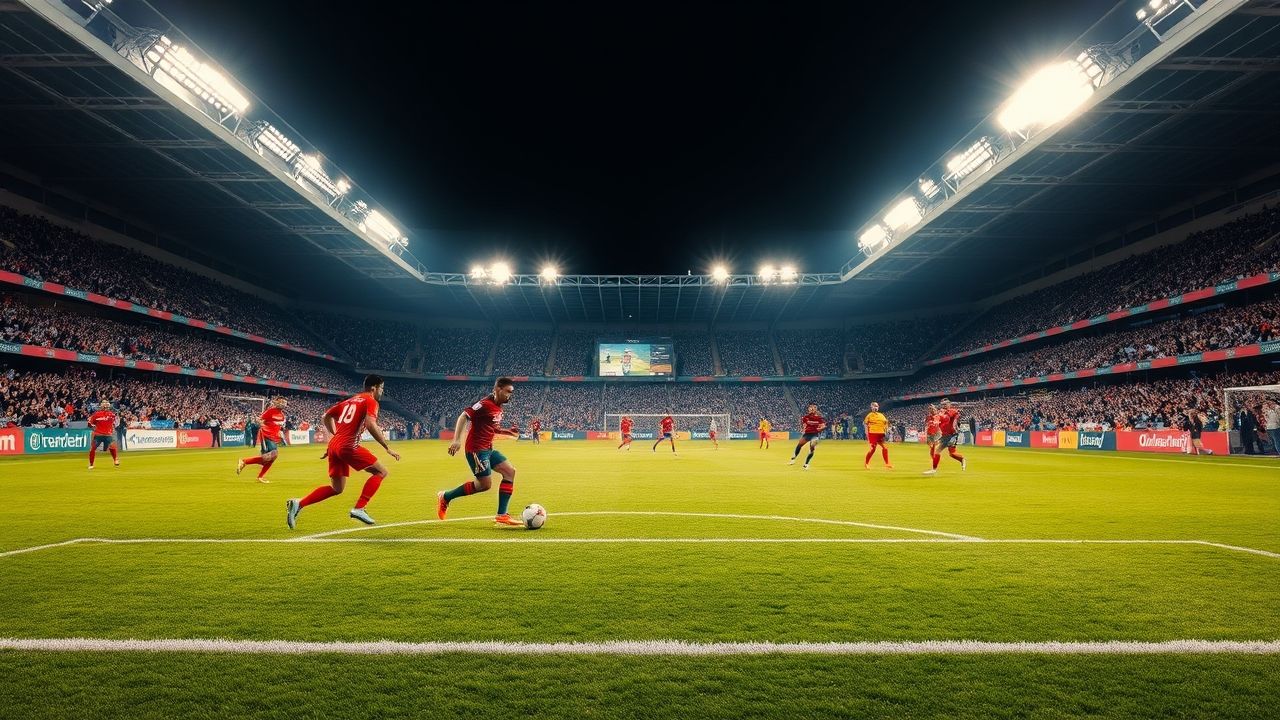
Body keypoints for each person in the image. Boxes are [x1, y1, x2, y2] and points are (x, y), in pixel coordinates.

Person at [285, 375, 400, 529]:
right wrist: (386, 447)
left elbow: (326, 416)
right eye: (382, 388)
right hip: (348, 445)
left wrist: (335, 436)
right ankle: (359, 508)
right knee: (381, 472)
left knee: (336, 488)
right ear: (374, 388)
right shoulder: (370, 401)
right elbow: (371, 424)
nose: (382, 392)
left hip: (335, 445)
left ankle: (299, 503)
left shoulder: (349, 401)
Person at [437, 377, 523, 526]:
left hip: (488, 449)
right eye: (508, 391)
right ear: (498, 389)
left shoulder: (498, 407)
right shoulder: (484, 404)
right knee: (484, 485)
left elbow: (492, 428)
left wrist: (507, 432)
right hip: (476, 450)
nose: (510, 395)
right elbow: (464, 416)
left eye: (511, 392)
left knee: (510, 472)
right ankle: (446, 496)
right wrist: (457, 439)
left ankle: (502, 515)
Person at [238, 396, 288, 483]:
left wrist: (279, 433)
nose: (282, 403)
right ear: (276, 402)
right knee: (273, 454)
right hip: (266, 434)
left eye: (284, 402)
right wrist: (261, 424)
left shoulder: (282, 415)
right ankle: (245, 462)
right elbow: (259, 419)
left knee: (269, 458)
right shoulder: (270, 411)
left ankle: (258, 475)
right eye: (280, 401)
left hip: (274, 437)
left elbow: (278, 426)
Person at [789, 404, 825, 470]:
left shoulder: (819, 418)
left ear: (815, 409)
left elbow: (823, 425)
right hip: (807, 434)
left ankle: (806, 464)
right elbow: (804, 424)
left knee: (812, 449)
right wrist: (802, 429)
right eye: (810, 408)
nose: (811, 409)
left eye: (813, 408)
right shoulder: (806, 417)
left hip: (814, 435)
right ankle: (793, 458)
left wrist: (821, 428)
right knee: (799, 445)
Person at [935, 398, 967, 470]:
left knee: (952, 453)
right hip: (944, 435)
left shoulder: (953, 412)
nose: (944, 406)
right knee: (938, 451)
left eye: (946, 404)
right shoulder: (940, 413)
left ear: (949, 404)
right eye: (943, 405)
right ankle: (934, 469)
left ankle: (962, 459)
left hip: (952, 435)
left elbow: (954, 419)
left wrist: (955, 425)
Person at [87, 401, 119, 470]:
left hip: (106, 434)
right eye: (105, 406)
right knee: (93, 449)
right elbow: (90, 423)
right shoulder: (98, 414)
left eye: (106, 406)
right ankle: (115, 460)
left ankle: (115, 459)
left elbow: (90, 424)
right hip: (100, 434)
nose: (105, 407)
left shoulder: (111, 415)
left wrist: (92, 426)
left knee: (112, 447)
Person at [864, 402, 891, 470]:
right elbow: (865, 424)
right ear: (871, 407)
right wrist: (866, 432)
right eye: (874, 406)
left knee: (885, 448)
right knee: (873, 449)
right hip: (873, 433)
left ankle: (887, 464)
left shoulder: (881, 415)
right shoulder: (869, 415)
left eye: (876, 406)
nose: (875, 407)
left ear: (878, 407)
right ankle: (866, 463)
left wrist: (886, 431)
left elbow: (886, 423)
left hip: (881, 434)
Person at [922, 404, 942, 475]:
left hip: (937, 433)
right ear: (930, 411)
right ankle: (934, 460)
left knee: (934, 448)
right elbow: (925, 424)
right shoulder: (928, 417)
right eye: (931, 410)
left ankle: (934, 467)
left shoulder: (939, 416)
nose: (933, 411)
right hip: (929, 434)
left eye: (933, 409)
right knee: (931, 449)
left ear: (936, 410)